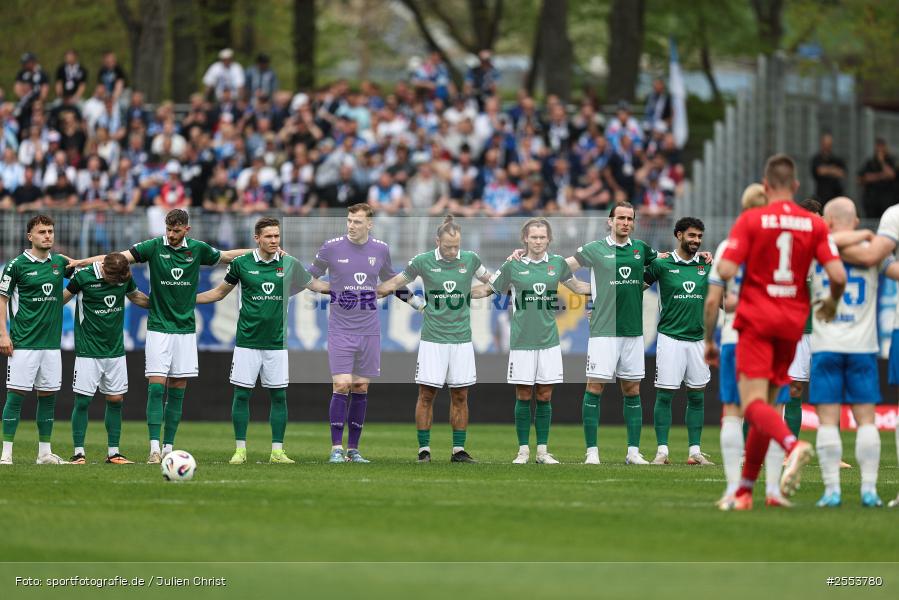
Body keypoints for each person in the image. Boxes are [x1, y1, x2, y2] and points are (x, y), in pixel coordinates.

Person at [705, 154, 846, 511]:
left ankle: (792, 443)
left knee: (751, 404)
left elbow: (725, 266)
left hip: (756, 321)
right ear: (795, 186)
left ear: (766, 186)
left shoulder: (753, 220)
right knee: (769, 404)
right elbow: (838, 275)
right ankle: (747, 491)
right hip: (793, 325)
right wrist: (831, 301)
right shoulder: (813, 225)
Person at [70, 209, 254, 463]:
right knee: (156, 387)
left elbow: (226, 256)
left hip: (186, 329)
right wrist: (81, 262)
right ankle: (154, 448)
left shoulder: (198, 249)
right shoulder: (153, 247)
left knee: (178, 388)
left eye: (176, 231)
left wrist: (261, 253)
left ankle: (169, 446)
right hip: (158, 327)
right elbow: (117, 258)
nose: (171, 234)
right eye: (168, 229)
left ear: (186, 230)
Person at [196, 217, 330, 464]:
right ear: (256, 238)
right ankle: (240, 450)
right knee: (242, 395)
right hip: (247, 341)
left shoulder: (289, 263)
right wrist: (189, 299)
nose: (274, 241)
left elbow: (315, 285)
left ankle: (277, 451)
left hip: (277, 343)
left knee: (279, 396)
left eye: (277, 236)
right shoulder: (241, 264)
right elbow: (218, 292)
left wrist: (344, 289)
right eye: (269, 236)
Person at [308, 203, 423, 463]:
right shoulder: (331, 247)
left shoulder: (381, 250)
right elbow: (309, 278)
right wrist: (329, 289)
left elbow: (393, 282)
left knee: (360, 387)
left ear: (369, 224)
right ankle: (336, 449)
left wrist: (418, 304)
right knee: (341, 384)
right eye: (349, 220)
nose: (351, 226)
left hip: (369, 330)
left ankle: (353, 449)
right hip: (340, 329)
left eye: (357, 222)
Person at [471, 217, 590, 464]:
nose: (537, 241)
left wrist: (612, 288)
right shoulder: (512, 265)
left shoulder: (557, 264)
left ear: (549, 239)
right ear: (525, 239)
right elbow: (488, 289)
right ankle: (523, 450)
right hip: (522, 341)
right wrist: (458, 292)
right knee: (523, 394)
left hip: (549, 341)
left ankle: (543, 452)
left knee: (545, 395)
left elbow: (577, 287)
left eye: (542, 237)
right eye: (533, 237)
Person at [377, 216, 492, 463]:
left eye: (456, 246)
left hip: (462, 339)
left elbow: (493, 283)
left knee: (460, 395)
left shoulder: (470, 259)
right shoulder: (422, 261)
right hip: (433, 339)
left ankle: (458, 451)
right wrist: (416, 303)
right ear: (437, 240)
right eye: (448, 246)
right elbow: (396, 284)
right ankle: (424, 450)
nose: (453, 251)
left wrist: (473, 294)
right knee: (426, 395)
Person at [811, 197, 894, 508]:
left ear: (827, 222)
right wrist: (865, 236)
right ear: (855, 222)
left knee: (828, 422)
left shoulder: (816, 246)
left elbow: (828, 241)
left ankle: (832, 491)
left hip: (825, 347)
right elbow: (877, 258)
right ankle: (868, 491)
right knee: (867, 421)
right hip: (862, 349)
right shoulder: (871, 256)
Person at [705, 183, 768, 508]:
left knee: (733, 412)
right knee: (769, 410)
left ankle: (734, 490)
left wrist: (708, 340)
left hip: (736, 336)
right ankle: (774, 491)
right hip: (772, 335)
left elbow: (713, 300)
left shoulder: (732, 244)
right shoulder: (779, 243)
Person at [62, 253, 150, 465]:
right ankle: (79, 453)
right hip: (88, 350)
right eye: (116, 279)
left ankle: (113, 452)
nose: (119, 282)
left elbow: (135, 296)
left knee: (116, 400)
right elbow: (61, 298)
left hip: (115, 350)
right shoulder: (83, 277)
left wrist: (159, 305)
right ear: (104, 269)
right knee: (83, 401)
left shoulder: (123, 276)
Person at [0, 215, 72, 464]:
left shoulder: (60, 263)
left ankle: (44, 453)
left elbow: (81, 268)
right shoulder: (16, 265)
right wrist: (3, 333)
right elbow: (2, 300)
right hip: (24, 343)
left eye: (50, 231)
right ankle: (6, 454)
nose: (48, 235)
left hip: (51, 344)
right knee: (16, 395)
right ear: (30, 236)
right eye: (42, 232)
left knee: (48, 396)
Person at [644, 217, 713, 466]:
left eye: (699, 237)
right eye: (691, 235)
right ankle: (662, 451)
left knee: (697, 396)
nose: (696, 241)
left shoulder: (707, 266)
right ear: (678, 235)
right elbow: (635, 286)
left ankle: (695, 451)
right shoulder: (662, 265)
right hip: (669, 338)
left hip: (698, 339)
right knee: (665, 395)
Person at [858, 138, 897, 219]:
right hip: (872, 200)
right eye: (878, 147)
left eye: (882, 147)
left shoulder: (891, 160)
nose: (880, 150)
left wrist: (882, 161)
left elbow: (891, 174)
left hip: (888, 200)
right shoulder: (870, 162)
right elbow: (862, 178)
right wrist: (881, 176)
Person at [810, 133, 845, 203]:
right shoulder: (817, 159)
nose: (827, 145)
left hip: (835, 194)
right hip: (821, 195)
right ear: (822, 144)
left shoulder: (837, 159)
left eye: (829, 143)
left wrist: (826, 170)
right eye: (825, 143)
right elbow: (820, 171)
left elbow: (841, 173)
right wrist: (833, 170)